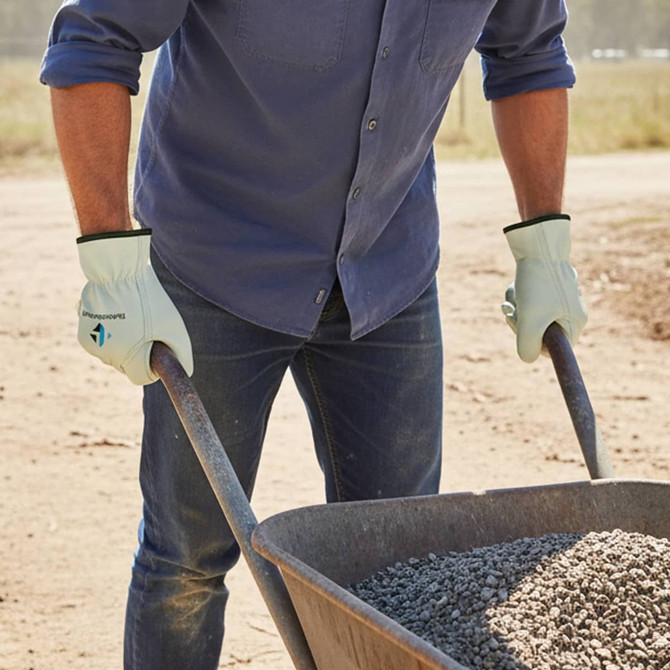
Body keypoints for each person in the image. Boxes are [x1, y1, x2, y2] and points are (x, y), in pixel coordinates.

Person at [40, 1, 587, 668]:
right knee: (186, 560)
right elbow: (94, 41)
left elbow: (528, 56)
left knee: (402, 559)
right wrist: (109, 261)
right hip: (216, 265)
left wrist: (545, 248)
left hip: (385, 269)